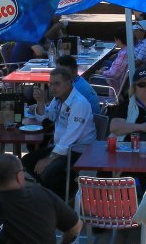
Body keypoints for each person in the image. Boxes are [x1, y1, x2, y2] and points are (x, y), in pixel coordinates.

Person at [25, 66, 96, 198]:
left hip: (78, 150)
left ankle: (66, 194)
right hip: (61, 147)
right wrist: (40, 102)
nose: (52, 88)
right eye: (50, 84)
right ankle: (57, 191)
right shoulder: (58, 98)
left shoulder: (79, 103)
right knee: (28, 161)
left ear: (68, 83)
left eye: (56, 84)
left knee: (46, 171)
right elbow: (46, 117)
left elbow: (70, 137)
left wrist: (48, 159)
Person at [108, 71, 146, 138]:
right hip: (128, 143)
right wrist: (142, 127)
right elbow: (114, 127)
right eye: (142, 84)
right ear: (134, 88)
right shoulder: (126, 105)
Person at [54, 52, 104, 123]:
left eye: (63, 72)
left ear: (74, 71)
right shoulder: (78, 82)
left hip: (84, 124)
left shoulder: (74, 89)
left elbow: (58, 114)